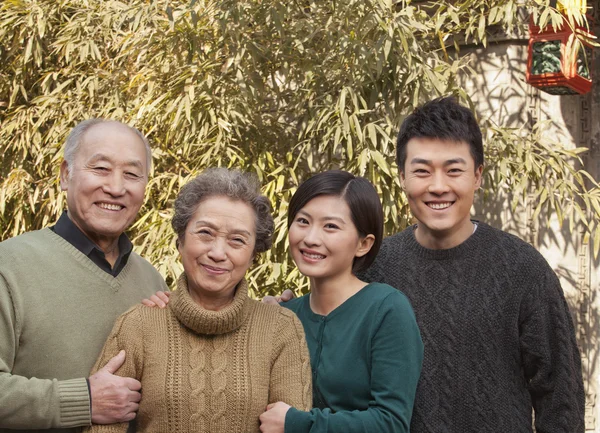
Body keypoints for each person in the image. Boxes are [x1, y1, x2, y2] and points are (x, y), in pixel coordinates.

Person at [276, 97, 584, 432]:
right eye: (421, 171)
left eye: (454, 170)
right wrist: (275, 318)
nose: (438, 187)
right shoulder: (372, 265)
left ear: (478, 175)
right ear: (402, 178)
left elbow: (560, 398)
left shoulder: (523, 269)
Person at [85, 168, 312, 433]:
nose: (217, 252)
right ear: (180, 241)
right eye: (205, 233)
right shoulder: (138, 324)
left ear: (253, 256)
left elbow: (292, 427)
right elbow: (102, 427)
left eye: (237, 240)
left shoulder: (280, 328)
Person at [0, 119, 169, 433]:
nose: (116, 188)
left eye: (132, 174)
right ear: (66, 175)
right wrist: (83, 401)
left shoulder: (152, 280)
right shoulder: (9, 266)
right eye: (101, 169)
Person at [258, 170, 423, 433]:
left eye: (330, 226)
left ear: (363, 244)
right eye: (302, 221)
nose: (310, 238)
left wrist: (297, 424)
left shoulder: (386, 310)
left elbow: (391, 423)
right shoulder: (283, 315)